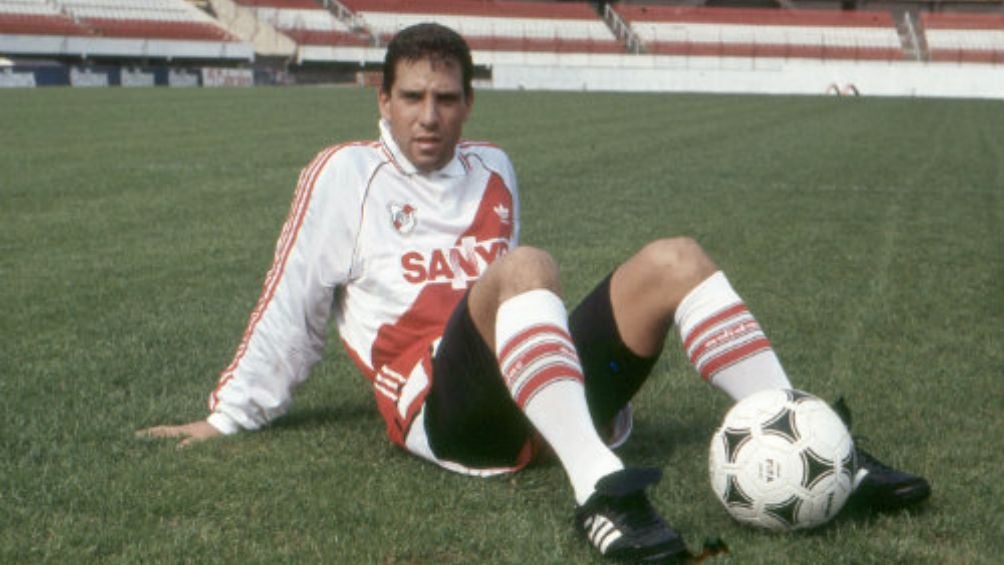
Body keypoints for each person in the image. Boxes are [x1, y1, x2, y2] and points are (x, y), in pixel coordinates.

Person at [138, 23, 930, 562]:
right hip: (445, 412)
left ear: (468, 104)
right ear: (381, 101)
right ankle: (600, 493)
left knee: (676, 257)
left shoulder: (494, 167)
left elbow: (521, 307)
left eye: (446, 99)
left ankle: (825, 449)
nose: (429, 117)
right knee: (525, 267)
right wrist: (228, 416)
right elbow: (292, 305)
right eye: (411, 97)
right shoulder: (343, 174)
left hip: (526, 384)